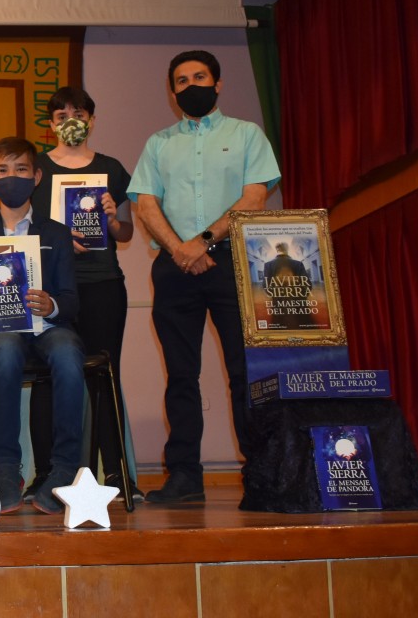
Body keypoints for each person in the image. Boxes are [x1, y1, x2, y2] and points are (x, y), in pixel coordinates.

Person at [127, 50, 281, 504]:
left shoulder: (247, 134)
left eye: (199, 76)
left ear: (217, 84)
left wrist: (204, 240)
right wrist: (181, 249)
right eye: (180, 79)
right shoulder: (158, 143)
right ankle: (184, 476)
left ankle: (261, 473)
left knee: (245, 372)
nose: (190, 84)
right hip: (175, 268)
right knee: (180, 375)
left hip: (233, 261)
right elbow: (146, 204)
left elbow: (255, 196)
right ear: (173, 93)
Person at [26, 86, 142, 502]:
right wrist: (57, 242)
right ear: (50, 124)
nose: (69, 120)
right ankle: (44, 475)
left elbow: (126, 232)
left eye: (78, 113)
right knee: (47, 376)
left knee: (104, 375)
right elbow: (25, 231)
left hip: (102, 282)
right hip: (52, 286)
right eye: (60, 115)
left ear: (92, 120)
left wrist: (112, 220)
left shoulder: (111, 168)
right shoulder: (35, 169)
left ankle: (115, 474)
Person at [0, 137, 85, 515]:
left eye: (20, 169)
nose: (10, 177)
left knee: (67, 353)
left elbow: (72, 299)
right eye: (2, 170)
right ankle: (7, 468)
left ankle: (65, 468)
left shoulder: (57, 233)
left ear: (37, 177)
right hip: (2, 333)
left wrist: (53, 303)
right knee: (6, 347)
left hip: (48, 328)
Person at [262, 242, 313, 330]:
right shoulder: (298, 264)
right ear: (287, 249)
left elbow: (266, 284)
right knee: (303, 323)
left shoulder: (268, 265)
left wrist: (274, 294)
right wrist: (302, 295)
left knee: (278, 323)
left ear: (277, 250)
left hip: (278, 300)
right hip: (298, 300)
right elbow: (307, 283)